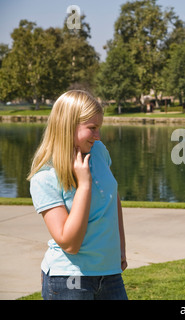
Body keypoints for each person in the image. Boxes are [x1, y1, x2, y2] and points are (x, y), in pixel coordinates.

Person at [27, 90, 128, 300]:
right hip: (69, 279)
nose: (98, 136)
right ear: (67, 126)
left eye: (99, 128)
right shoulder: (45, 176)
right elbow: (70, 244)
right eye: (92, 128)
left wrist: (120, 248)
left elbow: (113, 197)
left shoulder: (99, 151)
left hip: (109, 274)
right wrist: (84, 185)